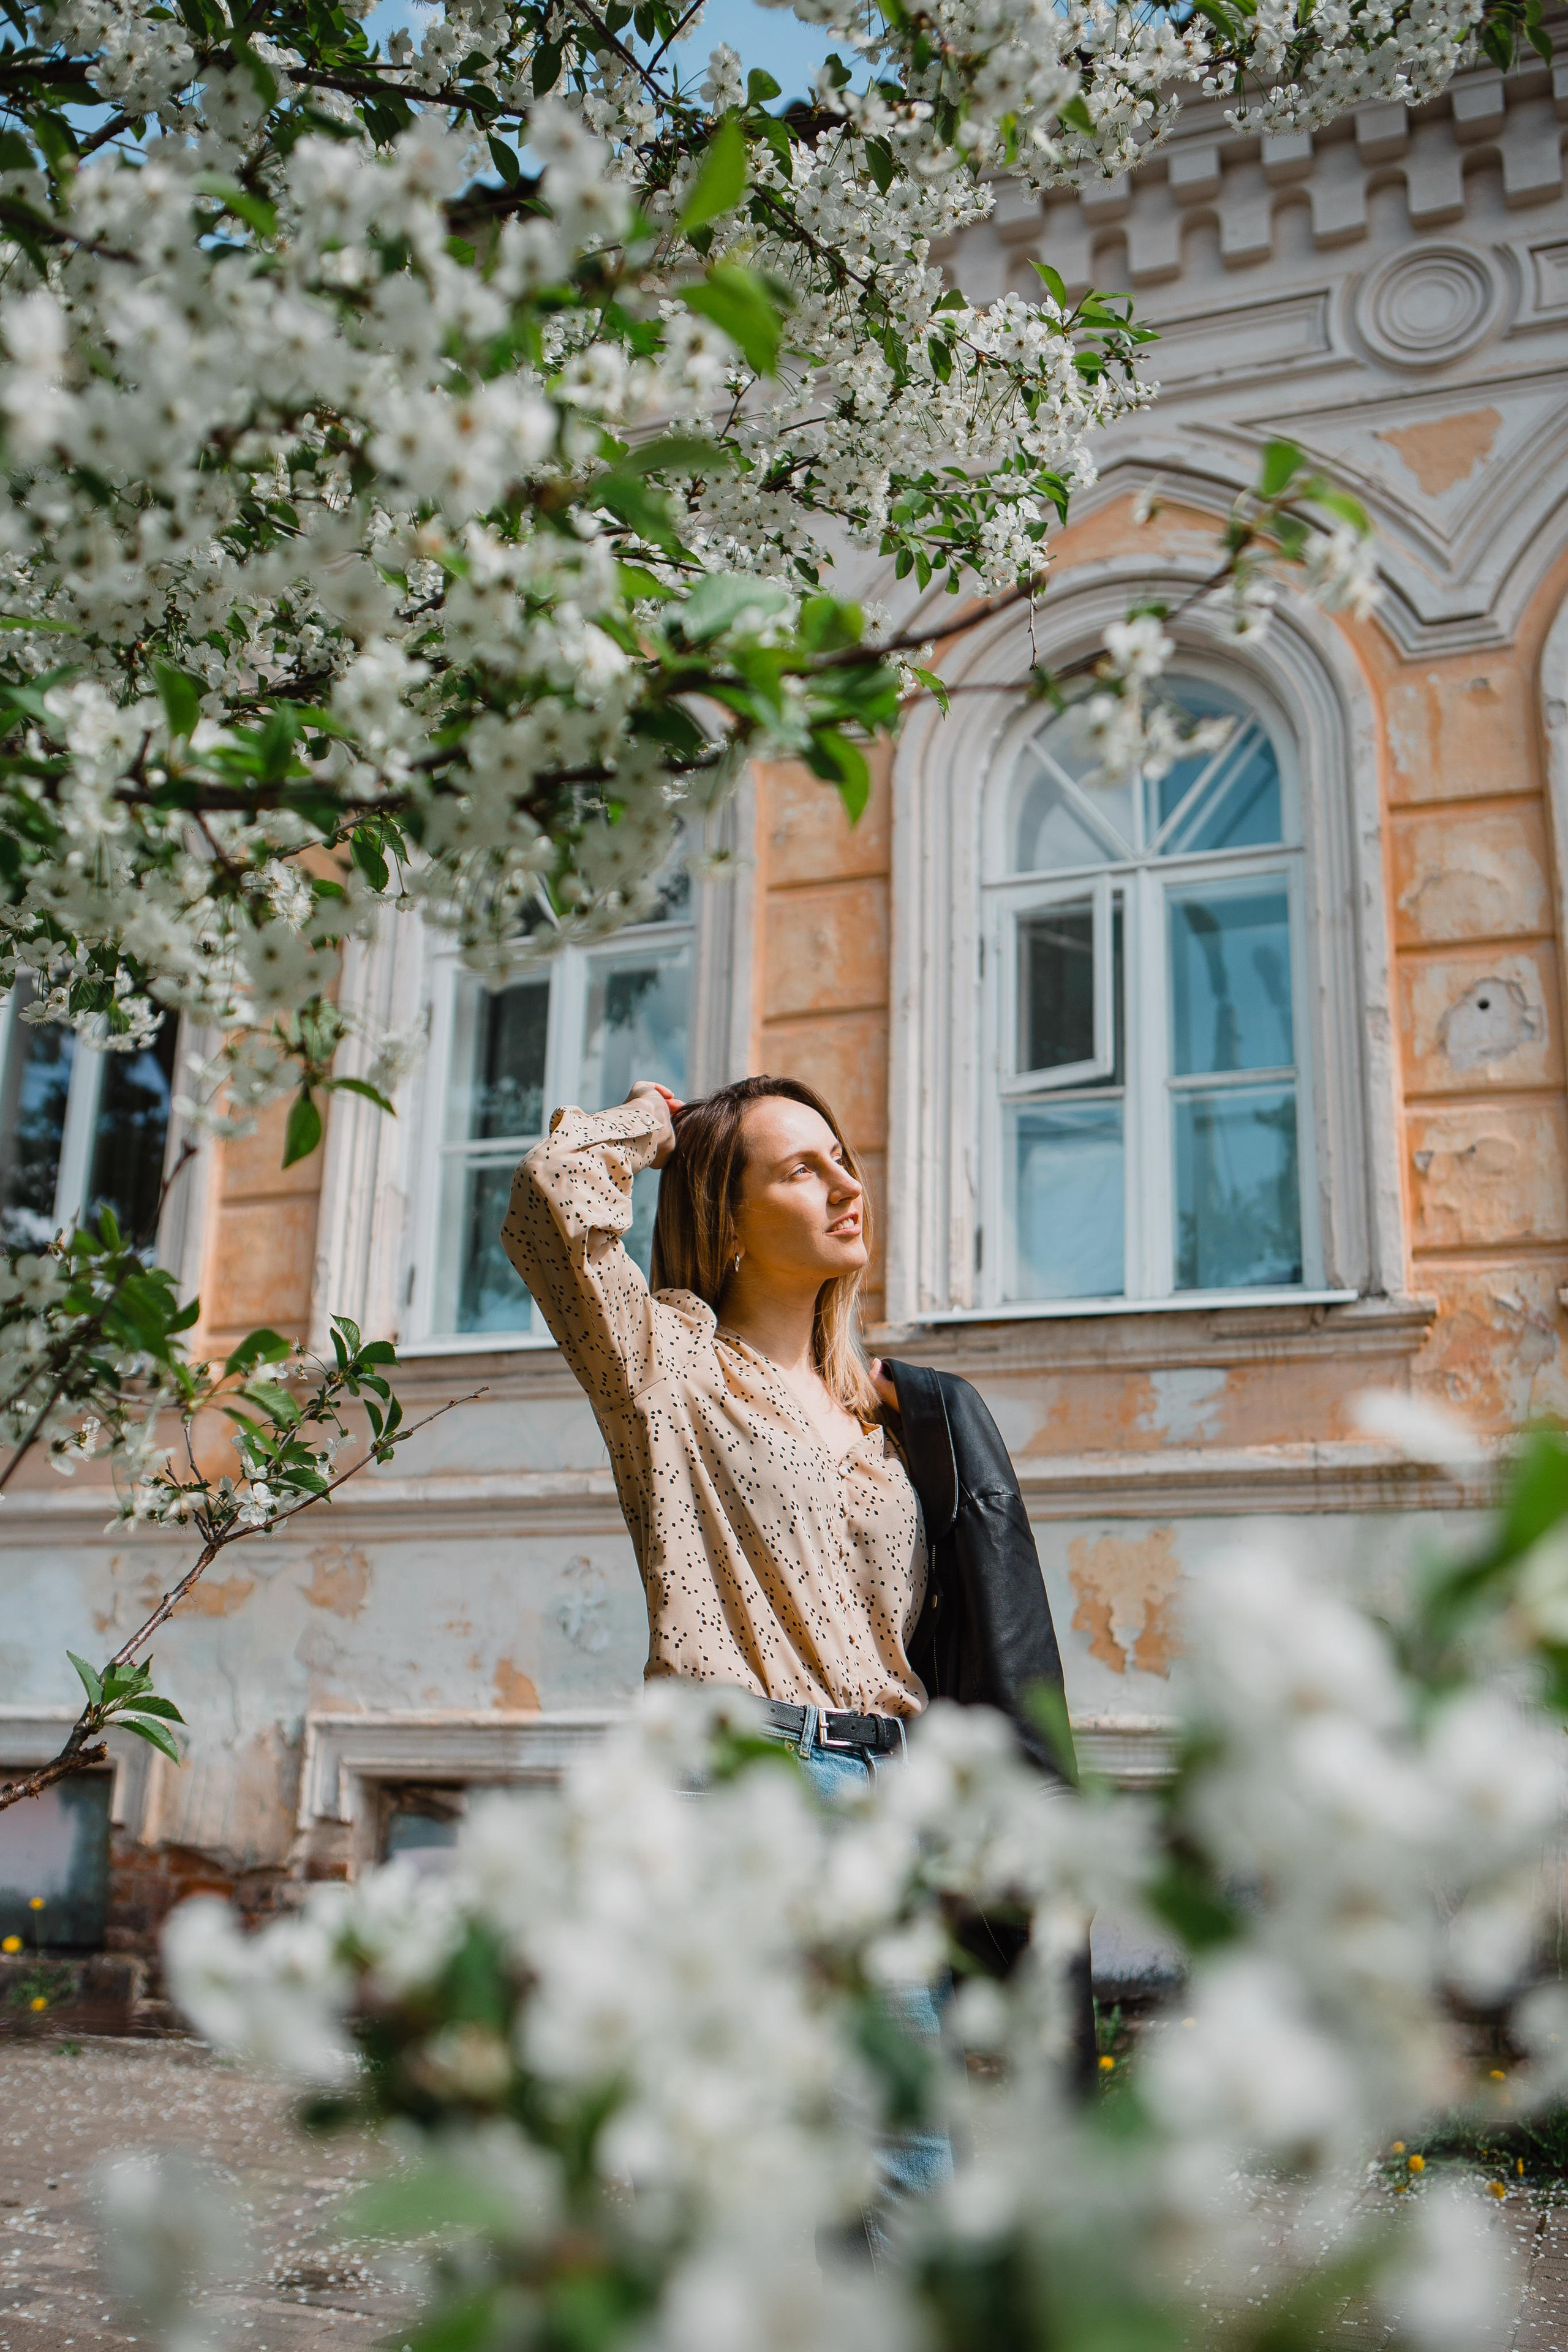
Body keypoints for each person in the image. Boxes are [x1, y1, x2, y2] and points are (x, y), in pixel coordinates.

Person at [501, 1072, 952, 2248]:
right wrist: (655, 1121)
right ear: (725, 1215)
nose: (848, 1181)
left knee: (903, 2170)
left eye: (844, 1156)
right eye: (802, 1167)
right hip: (742, 1773)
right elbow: (553, 1194)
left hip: (885, 1787)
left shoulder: (881, 1410)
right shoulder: (670, 1368)